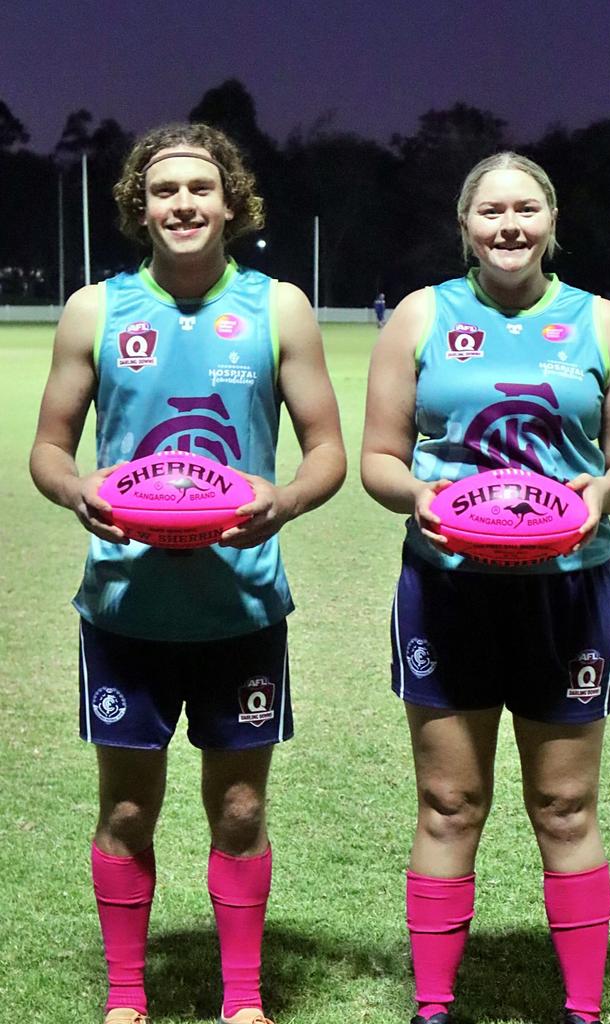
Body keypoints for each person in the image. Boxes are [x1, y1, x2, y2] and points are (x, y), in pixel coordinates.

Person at [29, 124, 346, 1024]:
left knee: (239, 809)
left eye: (200, 189)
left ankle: (241, 1000)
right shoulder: (96, 310)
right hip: (126, 602)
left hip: (239, 605)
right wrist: (75, 486)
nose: (182, 204)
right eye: (163, 191)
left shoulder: (279, 307)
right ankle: (126, 998)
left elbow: (326, 450)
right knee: (128, 813)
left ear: (232, 204)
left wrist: (280, 501)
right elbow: (49, 450)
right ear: (139, 207)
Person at [361, 152, 610, 1024]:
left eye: (526, 209)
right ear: (466, 226)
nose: (509, 226)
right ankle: (434, 1008)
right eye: (491, 211)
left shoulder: (603, 324)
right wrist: (419, 496)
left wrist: (600, 492)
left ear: (553, 222)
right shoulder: (420, 316)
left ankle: (583, 1009)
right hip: (450, 586)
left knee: (565, 805)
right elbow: (380, 456)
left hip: (565, 590)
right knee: (450, 801)